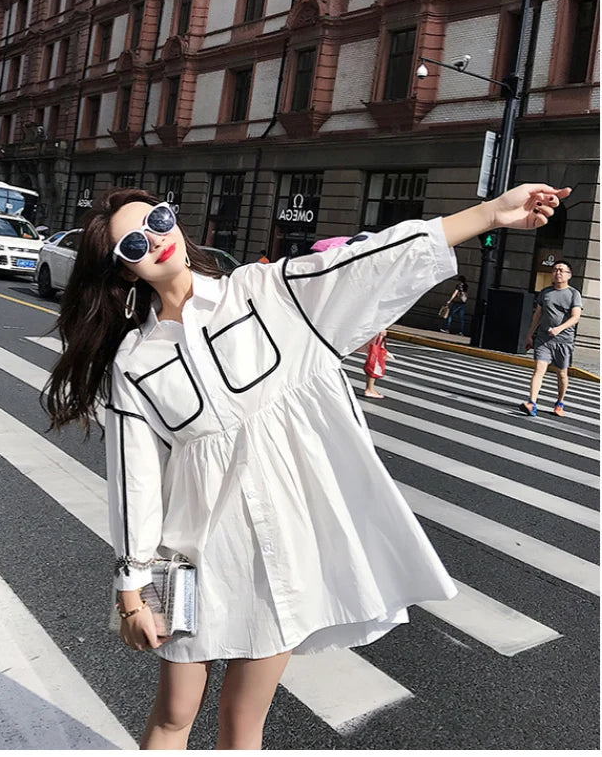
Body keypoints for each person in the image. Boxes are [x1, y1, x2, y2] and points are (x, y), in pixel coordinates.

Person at [43, 182, 569, 751]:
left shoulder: (266, 292)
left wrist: (491, 212)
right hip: (193, 556)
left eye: (161, 220)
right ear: (124, 271)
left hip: (280, 553)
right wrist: (131, 592)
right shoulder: (135, 361)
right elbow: (135, 482)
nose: (156, 241)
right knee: (174, 712)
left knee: (242, 721)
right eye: (134, 246)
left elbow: (370, 261)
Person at [521, 260, 583, 418]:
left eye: (562, 270)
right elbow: (538, 314)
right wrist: (529, 334)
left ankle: (559, 402)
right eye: (555, 270)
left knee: (562, 373)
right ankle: (532, 403)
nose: (558, 273)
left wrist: (559, 329)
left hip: (564, 340)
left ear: (569, 275)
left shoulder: (573, 294)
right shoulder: (545, 292)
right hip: (543, 339)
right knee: (539, 369)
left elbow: (575, 317)